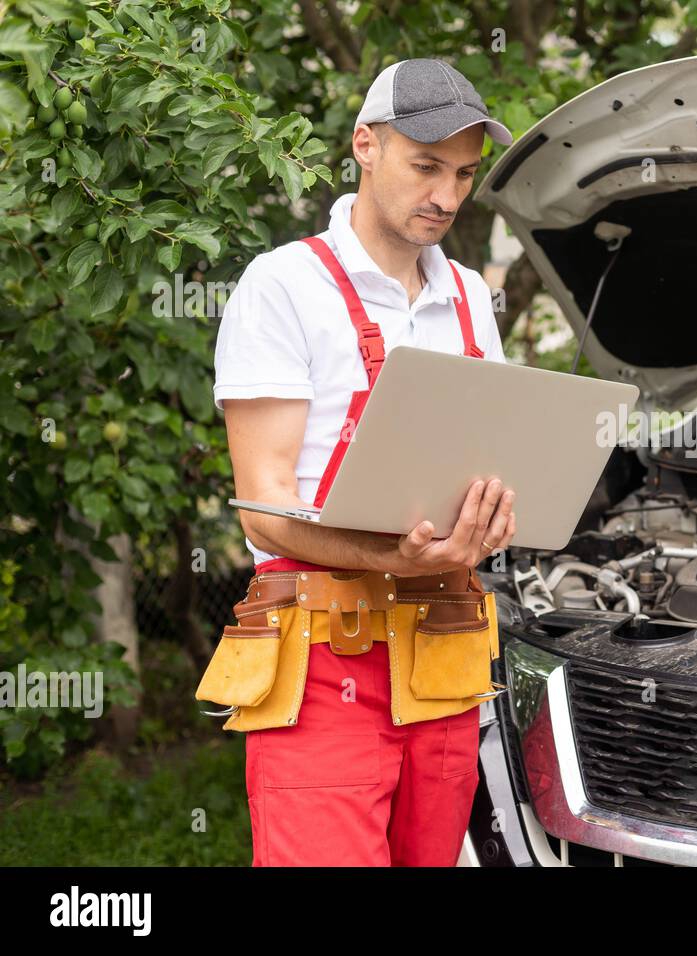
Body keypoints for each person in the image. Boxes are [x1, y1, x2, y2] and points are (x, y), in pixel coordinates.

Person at [208, 58, 517, 866]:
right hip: (323, 649)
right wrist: (386, 555)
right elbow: (265, 508)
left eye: (463, 174)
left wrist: (493, 517)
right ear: (365, 146)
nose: (446, 197)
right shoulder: (282, 287)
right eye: (425, 167)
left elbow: (483, 458)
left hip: (442, 646)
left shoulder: (472, 299)